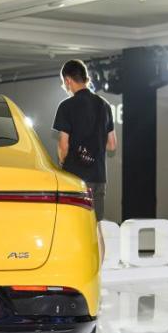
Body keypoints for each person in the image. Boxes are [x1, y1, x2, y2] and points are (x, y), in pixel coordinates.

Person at [52, 59, 117, 221]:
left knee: (74, 224)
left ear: (68, 80)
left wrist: (63, 163)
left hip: (75, 178)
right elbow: (112, 145)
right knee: (95, 225)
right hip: (98, 178)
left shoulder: (66, 106)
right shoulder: (104, 105)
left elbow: (63, 145)